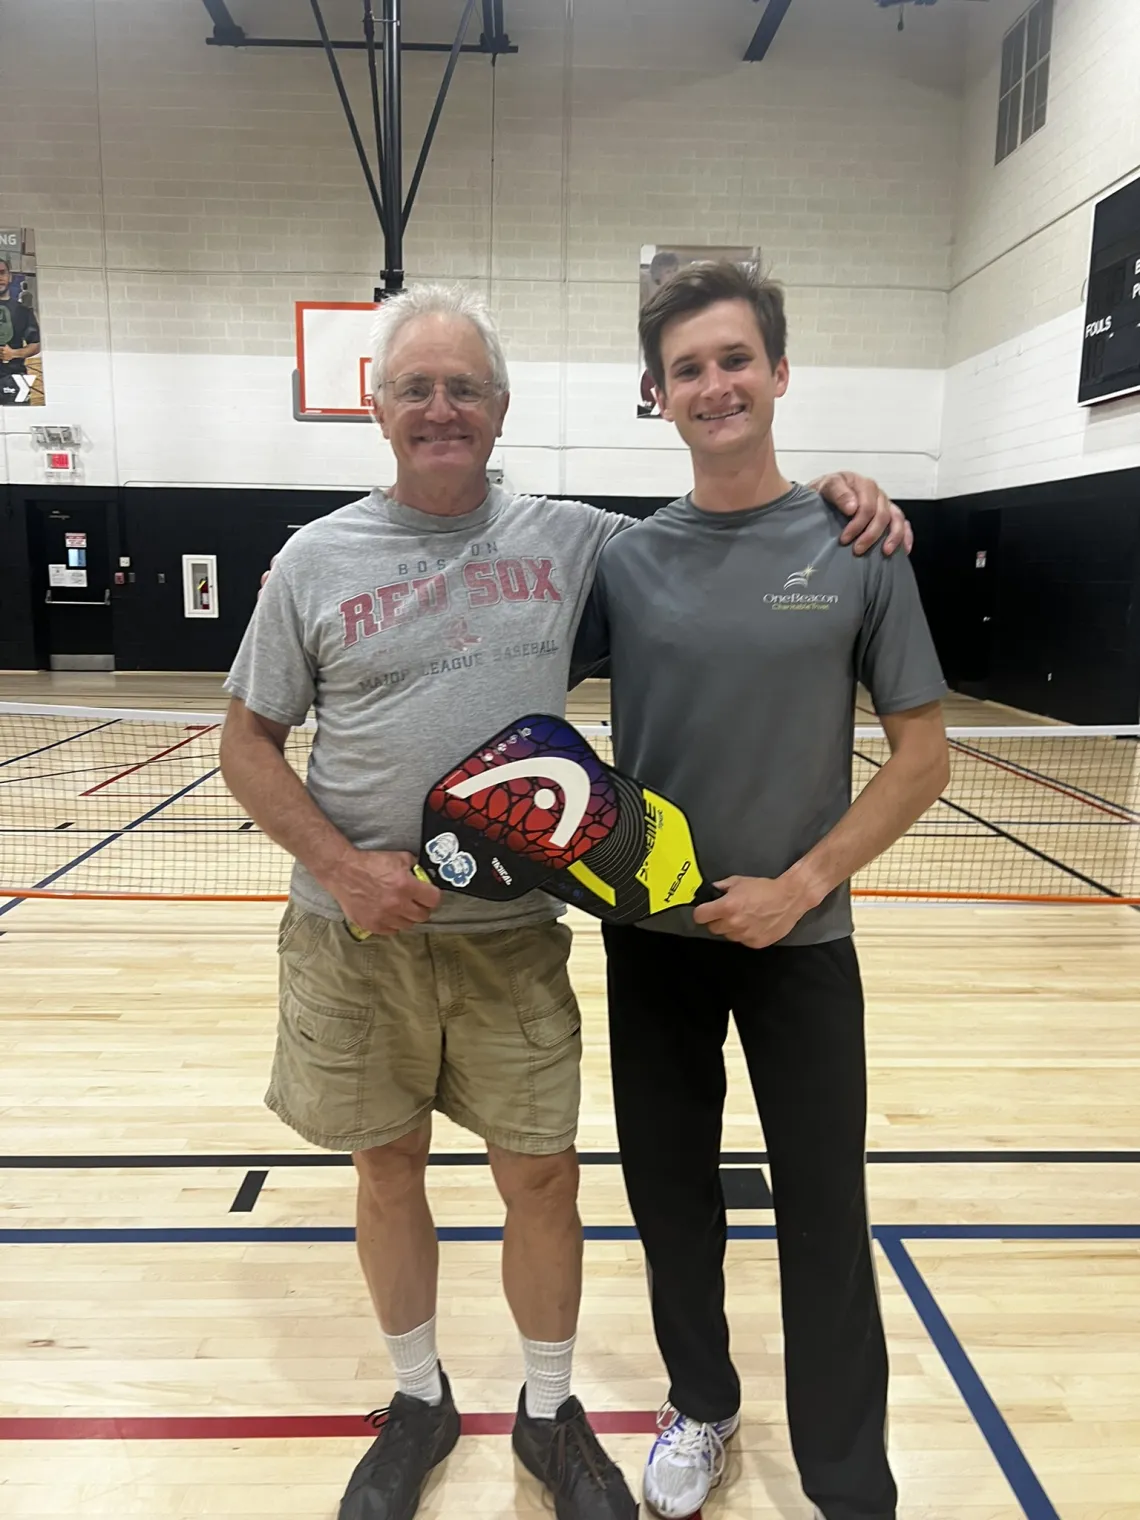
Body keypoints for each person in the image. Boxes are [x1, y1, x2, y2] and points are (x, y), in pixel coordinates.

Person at [222, 281, 910, 1520]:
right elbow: (246, 742)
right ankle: (434, 1398)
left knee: (562, 1186)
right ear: (373, 404)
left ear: (501, 407)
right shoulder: (322, 557)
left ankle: (571, 1415)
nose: (442, 408)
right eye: (416, 387)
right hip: (393, 934)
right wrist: (343, 866)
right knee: (407, 1172)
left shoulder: (585, 540)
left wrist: (850, 491)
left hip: (544, 943)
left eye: (465, 388)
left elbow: (742, 542)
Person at [571, 261, 950, 1520]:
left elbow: (924, 755)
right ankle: (704, 1402)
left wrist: (801, 885)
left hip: (802, 939)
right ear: (655, 394)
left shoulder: (860, 541)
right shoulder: (621, 562)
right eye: (689, 368)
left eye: (736, 358)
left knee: (825, 1219)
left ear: (779, 372)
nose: (715, 384)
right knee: (672, 1205)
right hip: (655, 942)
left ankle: (848, 1473)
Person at [0, 256, 42, 406]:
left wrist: (14, 354)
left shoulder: (23, 312)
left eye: (2, 273)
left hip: (15, 378)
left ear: (9, 276)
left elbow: (36, 345)